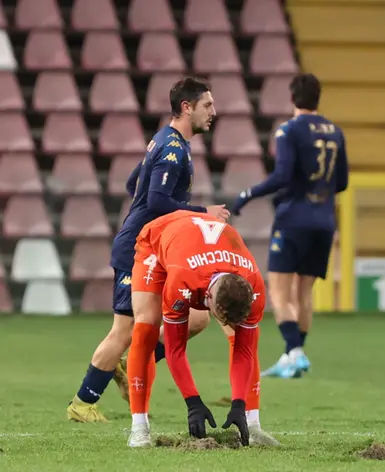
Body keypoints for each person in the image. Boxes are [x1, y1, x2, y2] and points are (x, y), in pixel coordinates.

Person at [67, 78, 230, 423]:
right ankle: (82, 404)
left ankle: (129, 362)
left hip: (155, 248)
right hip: (136, 250)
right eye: (207, 106)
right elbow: (156, 200)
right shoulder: (173, 150)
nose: (214, 112)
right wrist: (202, 213)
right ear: (187, 107)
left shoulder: (165, 139)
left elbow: (133, 184)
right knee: (124, 330)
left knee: (198, 317)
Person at [126, 210, 279, 448]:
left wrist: (238, 403)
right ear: (207, 298)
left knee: (249, 339)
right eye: (223, 318)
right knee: (146, 328)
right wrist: (193, 402)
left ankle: (253, 424)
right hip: (159, 239)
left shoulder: (255, 284)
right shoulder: (183, 280)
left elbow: (245, 351)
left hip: (200, 247)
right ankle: (139, 428)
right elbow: (176, 349)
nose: (226, 325)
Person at [231, 73, 349, 379]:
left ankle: (294, 352)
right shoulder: (335, 132)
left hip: (294, 220)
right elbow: (342, 182)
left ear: (292, 97)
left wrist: (248, 195)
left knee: (280, 291)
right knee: (304, 292)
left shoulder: (288, 130)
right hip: (324, 220)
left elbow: (282, 175)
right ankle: (292, 355)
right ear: (318, 97)